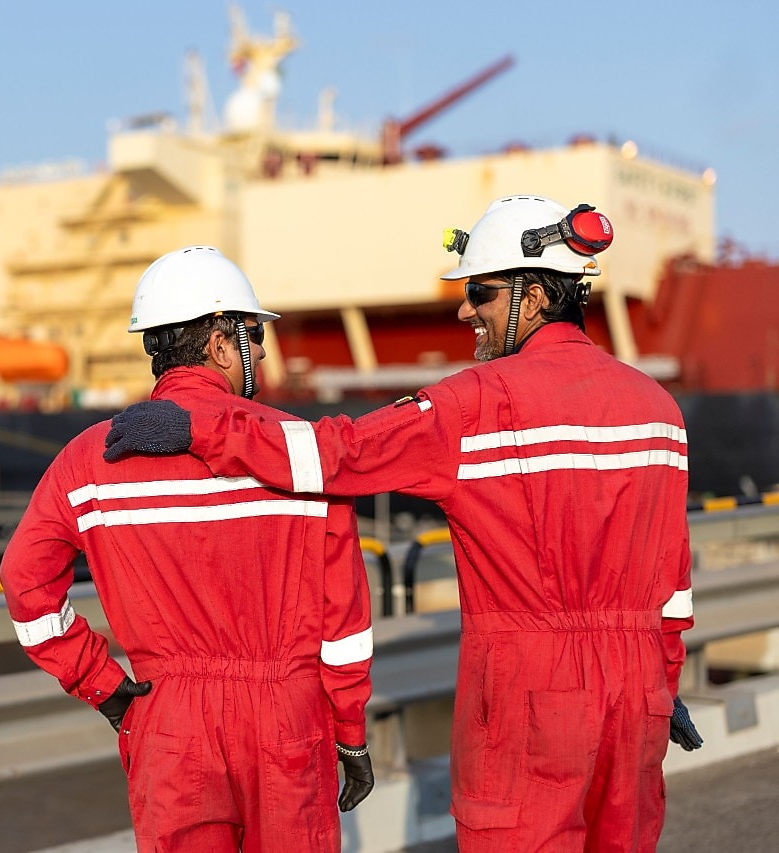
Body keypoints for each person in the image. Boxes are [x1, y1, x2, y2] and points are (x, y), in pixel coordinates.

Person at [102, 198, 704, 852]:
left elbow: (336, 453)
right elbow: (673, 584)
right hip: (638, 690)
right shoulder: (660, 410)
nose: (463, 308)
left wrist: (203, 425)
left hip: (532, 692)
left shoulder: (473, 406)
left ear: (533, 298)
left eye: (480, 291)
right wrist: (661, 684)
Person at [0, 245, 376, 852]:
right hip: (287, 717)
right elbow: (344, 625)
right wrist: (350, 730)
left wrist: (104, 685)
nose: (255, 352)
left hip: (168, 721)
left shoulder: (91, 458)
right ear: (222, 343)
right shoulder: (296, 453)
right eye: (251, 337)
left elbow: (23, 582)